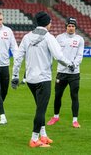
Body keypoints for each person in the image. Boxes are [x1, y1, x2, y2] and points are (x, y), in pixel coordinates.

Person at [11, 11, 75, 148]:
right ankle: (34, 139)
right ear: (47, 23)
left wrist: (15, 76)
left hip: (30, 80)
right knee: (41, 110)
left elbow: (18, 58)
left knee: (40, 108)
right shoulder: (49, 37)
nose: (51, 24)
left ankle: (44, 135)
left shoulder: (27, 37)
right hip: (43, 79)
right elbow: (59, 56)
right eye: (50, 21)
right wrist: (70, 64)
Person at [47, 17, 84, 128]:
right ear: (66, 27)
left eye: (73, 26)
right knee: (58, 96)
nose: (71, 28)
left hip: (74, 73)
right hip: (61, 72)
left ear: (75, 27)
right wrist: (68, 64)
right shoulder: (59, 38)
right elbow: (57, 55)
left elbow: (80, 55)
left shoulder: (80, 39)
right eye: (69, 26)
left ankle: (75, 120)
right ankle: (55, 117)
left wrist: (74, 65)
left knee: (74, 96)